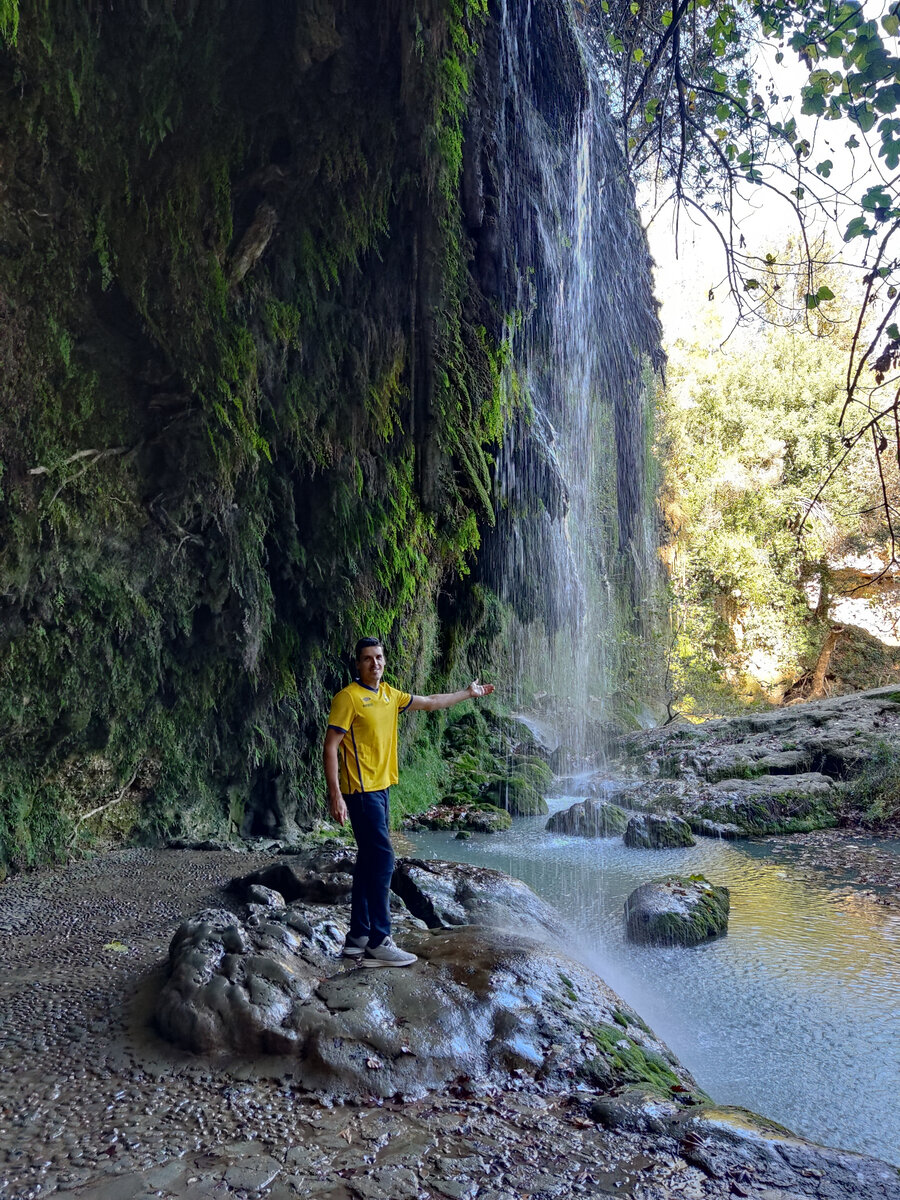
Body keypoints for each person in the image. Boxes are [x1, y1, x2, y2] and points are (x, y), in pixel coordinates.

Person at [323, 637, 495, 968]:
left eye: (379, 657)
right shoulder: (348, 698)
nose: (375, 663)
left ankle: (358, 937)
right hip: (360, 792)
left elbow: (430, 702)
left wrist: (467, 693)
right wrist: (336, 795)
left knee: (369, 860)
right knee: (384, 858)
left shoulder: (390, 695)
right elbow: (331, 746)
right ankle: (379, 942)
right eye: (367, 658)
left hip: (382, 789)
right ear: (358, 664)